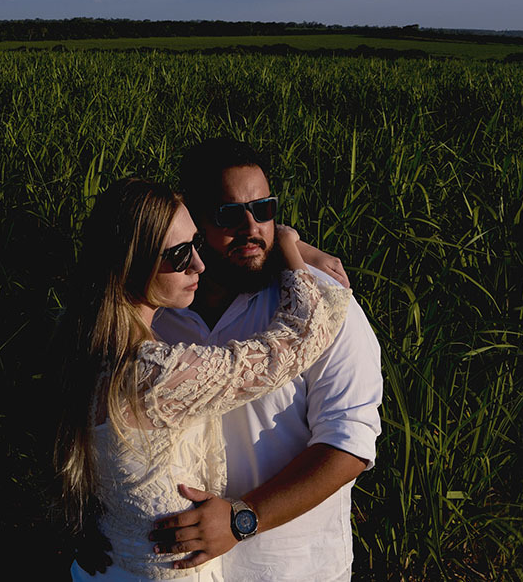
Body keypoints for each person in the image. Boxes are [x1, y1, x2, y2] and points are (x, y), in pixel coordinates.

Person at [53, 177, 351, 580]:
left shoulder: (79, 344)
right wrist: (288, 246)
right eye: (178, 256)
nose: (199, 264)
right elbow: (301, 337)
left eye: (196, 244)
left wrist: (86, 523)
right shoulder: (155, 375)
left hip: (106, 565)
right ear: (131, 263)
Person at [148, 140, 384, 581]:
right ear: (192, 221)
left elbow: (348, 443)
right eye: (229, 214)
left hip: (293, 567)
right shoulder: (156, 306)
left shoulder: (324, 306)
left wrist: (242, 518)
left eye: (264, 209)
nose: (252, 227)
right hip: (179, 572)